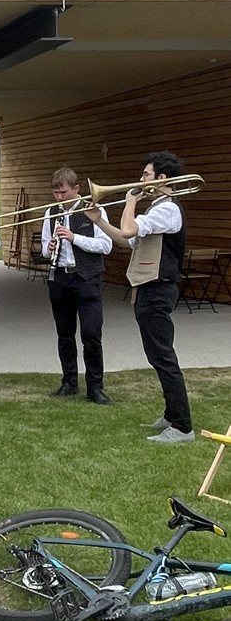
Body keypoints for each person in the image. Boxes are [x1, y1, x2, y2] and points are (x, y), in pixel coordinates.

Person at [89, 151, 194, 443]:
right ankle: (172, 415)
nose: (140, 180)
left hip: (158, 288)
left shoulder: (167, 210)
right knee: (157, 355)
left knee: (163, 356)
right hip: (149, 287)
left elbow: (129, 226)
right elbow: (127, 239)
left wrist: (130, 201)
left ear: (161, 179)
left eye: (146, 175)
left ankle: (183, 427)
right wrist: (98, 221)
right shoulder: (157, 210)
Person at [41, 167, 113, 404]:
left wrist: (74, 238)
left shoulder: (94, 210)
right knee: (65, 335)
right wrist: (48, 249)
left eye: (63, 192)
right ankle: (69, 382)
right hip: (60, 278)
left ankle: (95, 387)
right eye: (55, 193)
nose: (59, 198)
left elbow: (106, 246)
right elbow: (43, 248)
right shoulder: (50, 213)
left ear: (76, 189)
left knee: (91, 335)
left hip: (87, 278)